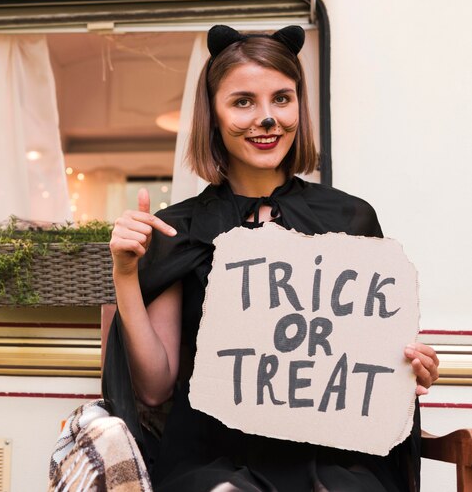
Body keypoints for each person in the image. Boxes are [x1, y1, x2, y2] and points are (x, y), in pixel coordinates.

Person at [104, 25, 439, 492]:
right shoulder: (181, 228)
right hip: (214, 454)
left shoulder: (350, 217)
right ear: (214, 115)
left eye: (282, 99)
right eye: (243, 102)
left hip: (333, 455)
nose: (267, 119)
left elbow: (367, 361)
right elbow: (155, 388)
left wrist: (411, 370)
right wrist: (125, 273)